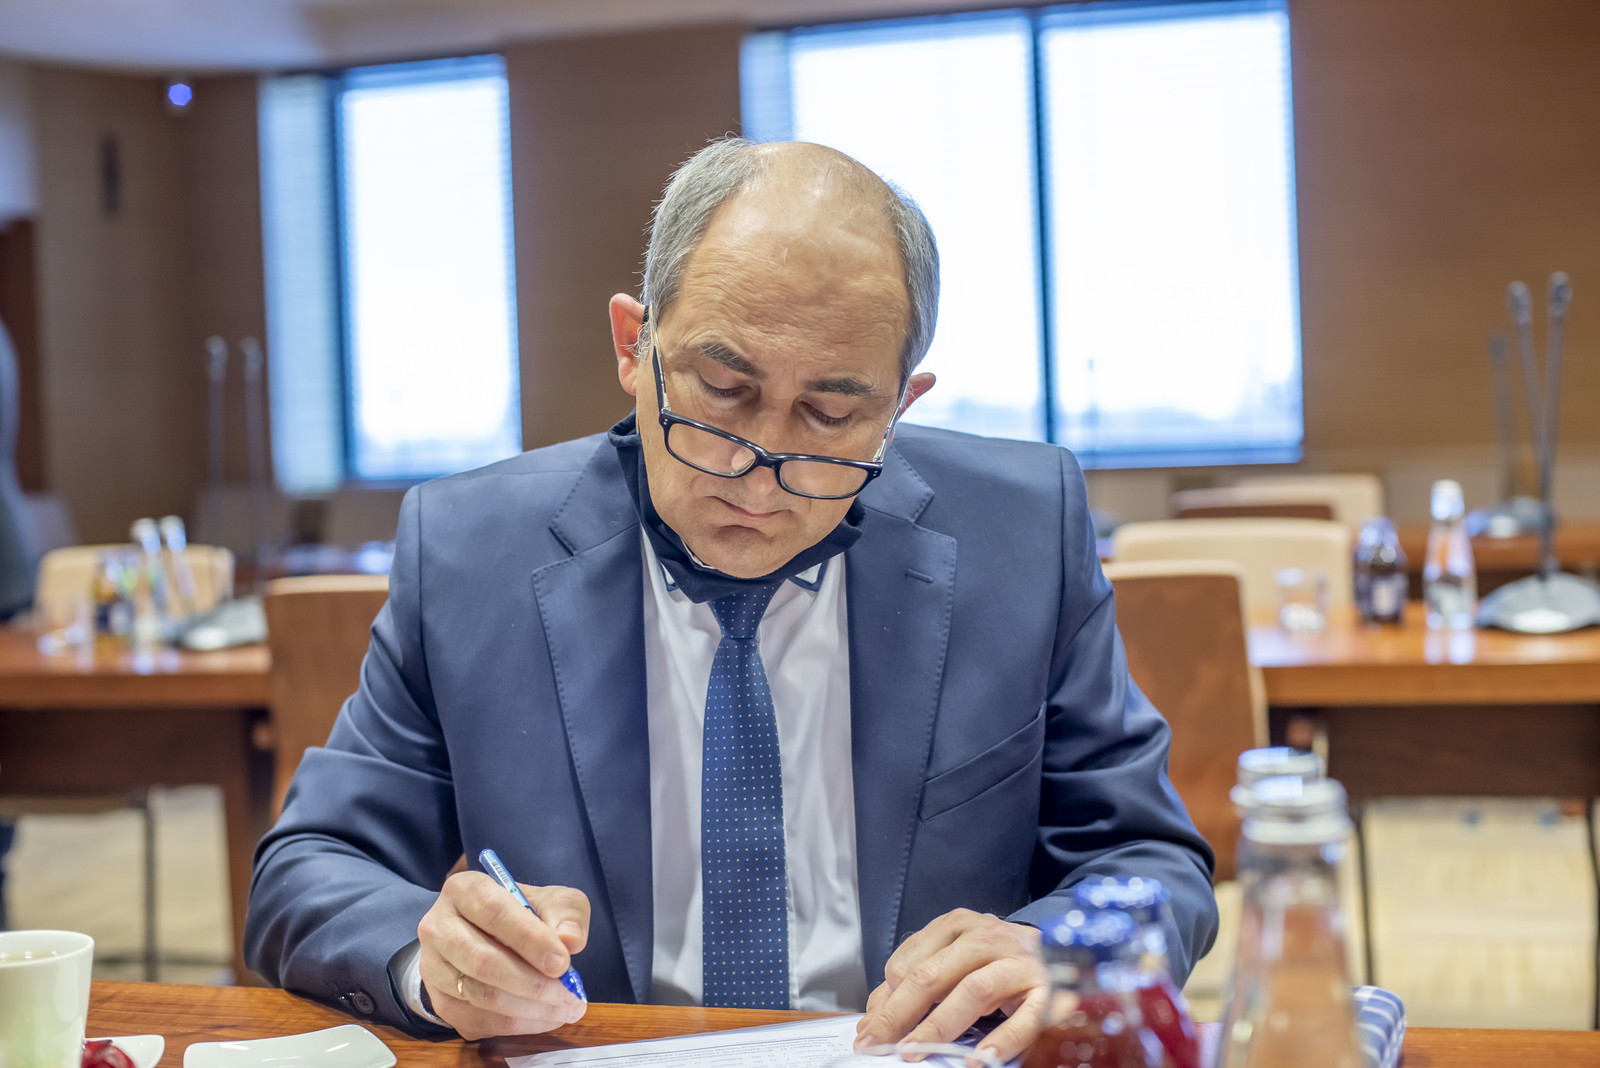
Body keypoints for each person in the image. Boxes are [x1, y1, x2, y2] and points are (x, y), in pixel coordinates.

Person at [245, 139, 1217, 1064]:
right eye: (720, 391)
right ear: (634, 346)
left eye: (830, 415)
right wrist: (436, 966)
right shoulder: (471, 551)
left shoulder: (1021, 533)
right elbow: (311, 865)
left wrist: (1063, 952)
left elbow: (1146, 854)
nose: (760, 471)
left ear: (900, 407)